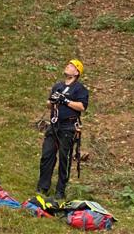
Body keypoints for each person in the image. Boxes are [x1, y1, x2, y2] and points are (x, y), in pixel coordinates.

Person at [37, 59, 89, 200]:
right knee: (47, 155)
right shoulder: (58, 86)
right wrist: (52, 101)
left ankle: (60, 190)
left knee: (64, 158)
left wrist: (65, 101)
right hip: (54, 125)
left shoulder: (79, 89)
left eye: (71, 65)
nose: (68, 66)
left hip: (68, 127)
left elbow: (82, 107)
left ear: (77, 72)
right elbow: (49, 103)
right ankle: (43, 187)